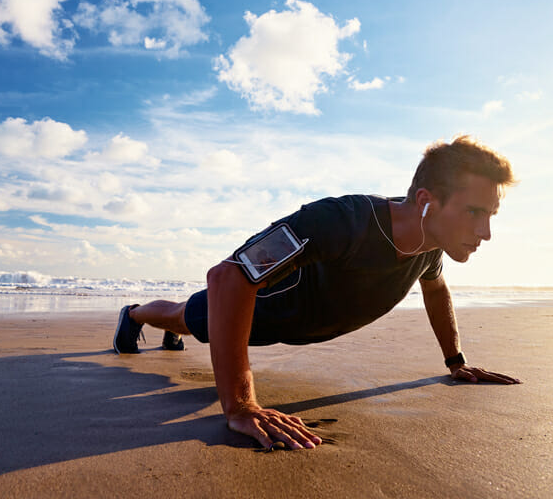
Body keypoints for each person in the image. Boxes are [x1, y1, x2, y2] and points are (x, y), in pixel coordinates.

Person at [113, 135, 522, 450]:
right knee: (186, 316)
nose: (485, 233)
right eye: (474, 212)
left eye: (490, 215)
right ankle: (134, 314)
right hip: (253, 313)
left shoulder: (428, 247)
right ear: (426, 201)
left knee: (185, 320)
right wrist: (240, 407)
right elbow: (228, 278)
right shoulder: (343, 221)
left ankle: (162, 325)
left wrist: (455, 360)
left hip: (298, 324)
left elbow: (436, 291)